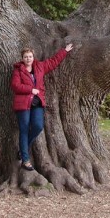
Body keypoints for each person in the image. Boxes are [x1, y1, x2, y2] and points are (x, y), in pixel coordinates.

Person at [10, 43, 74, 171]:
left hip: (37, 103)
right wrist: (30, 90)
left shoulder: (40, 67)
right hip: (23, 104)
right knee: (24, 129)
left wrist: (65, 51)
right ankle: (25, 160)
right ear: (22, 58)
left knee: (38, 126)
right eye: (26, 57)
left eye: (30, 56)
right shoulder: (18, 70)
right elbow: (15, 86)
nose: (28, 59)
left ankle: (23, 149)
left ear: (33, 57)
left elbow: (53, 62)